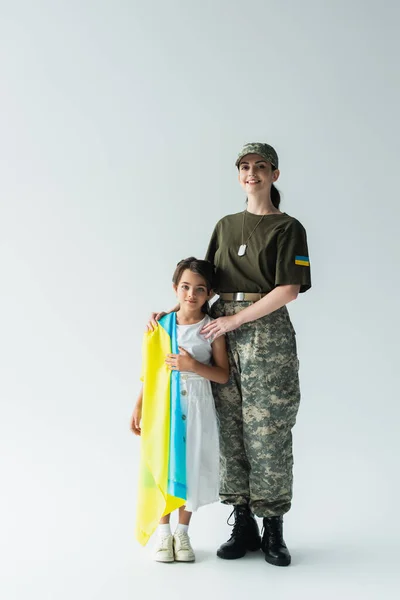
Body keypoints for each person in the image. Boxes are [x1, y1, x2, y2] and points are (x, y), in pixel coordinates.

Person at [147, 142, 311, 567]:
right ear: (238, 175)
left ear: (275, 174)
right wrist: (176, 311)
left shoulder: (288, 228)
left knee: (269, 429)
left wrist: (237, 321)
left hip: (265, 334)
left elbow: (288, 290)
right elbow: (204, 282)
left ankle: (272, 526)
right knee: (229, 427)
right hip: (216, 327)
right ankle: (242, 523)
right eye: (244, 167)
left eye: (260, 166)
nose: (251, 173)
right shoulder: (225, 225)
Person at [131, 257, 229, 563]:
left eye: (200, 289)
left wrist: (193, 365)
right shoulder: (161, 326)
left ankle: (183, 534)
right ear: (175, 288)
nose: (191, 294)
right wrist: (139, 406)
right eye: (185, 287)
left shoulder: (212, 329)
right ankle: (163, 535)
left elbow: (223, 374)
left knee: (191, 466)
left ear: (209, 293)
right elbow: (152, 371)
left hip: (198, 405)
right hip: (164, 406)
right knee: (165, 463)